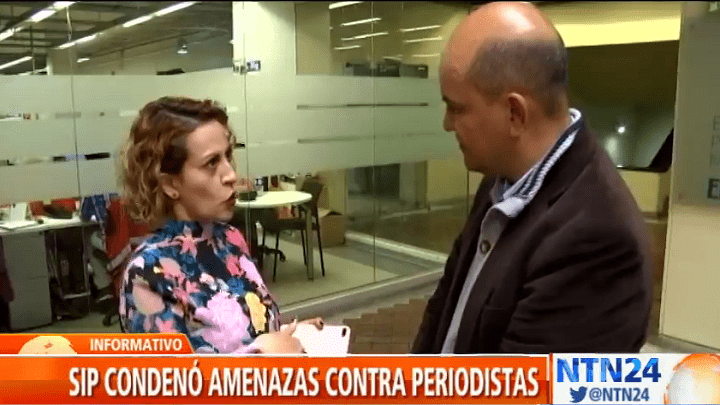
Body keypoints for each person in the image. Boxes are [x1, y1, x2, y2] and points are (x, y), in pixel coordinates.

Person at [412, 2, 652, 354]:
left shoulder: (597, 241)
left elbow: (523, 381)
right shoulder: (503, 175)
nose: (447, 123)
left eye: (457, 108)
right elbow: (444, 307)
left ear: (514, 113)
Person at [119, 97, 322, 354]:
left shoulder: (231, 239)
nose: (231, 175)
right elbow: (168, 377)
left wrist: (286, 337)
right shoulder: (147, 274)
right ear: (170, 184)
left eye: (228, 156)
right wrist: (260, 356)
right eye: (211, 163)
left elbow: (246, 331)